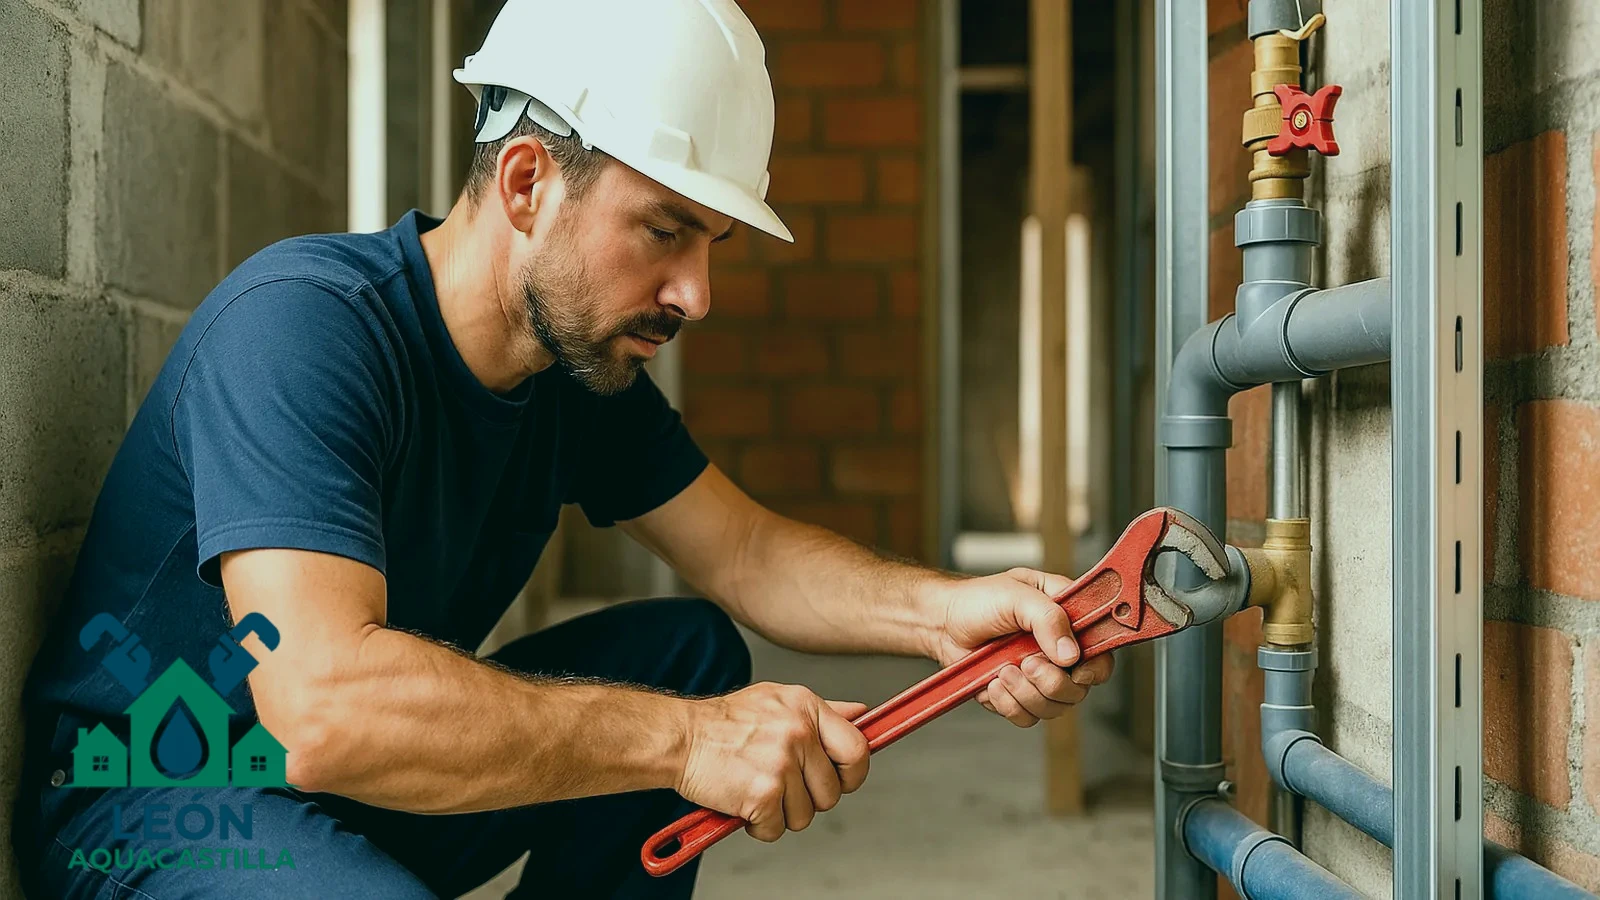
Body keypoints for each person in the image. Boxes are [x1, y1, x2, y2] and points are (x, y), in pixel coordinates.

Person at [14, 0, 1113, 896]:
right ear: (528, 182)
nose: (697, 293)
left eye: (712, 244)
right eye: (665, 231)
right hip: (164, 798)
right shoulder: (303, 328)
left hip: (339, 783)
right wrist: (686, 746)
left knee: (688, 654)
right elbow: (326, 707)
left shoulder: (573, 361)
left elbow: (746, 558)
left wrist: (950, 614)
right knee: (674, 714)